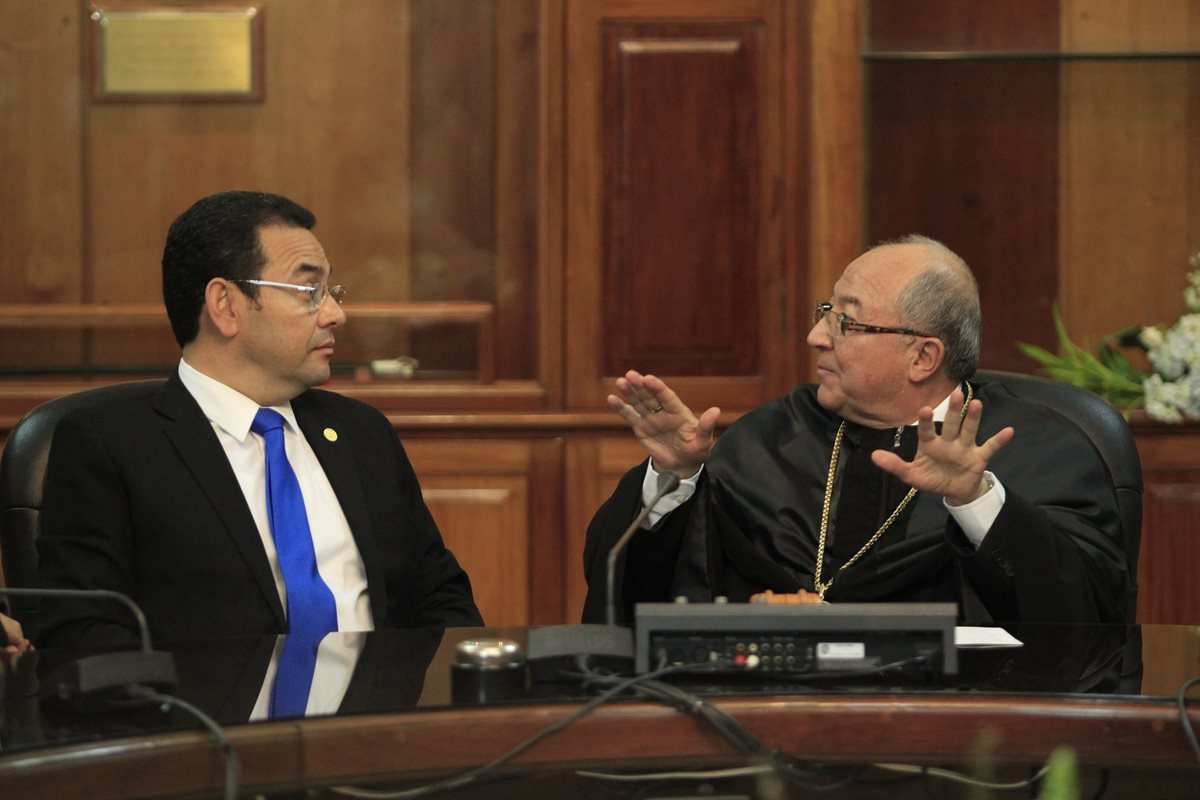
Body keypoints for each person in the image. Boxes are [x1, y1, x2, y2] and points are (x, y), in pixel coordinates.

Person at [582, 235, 1131, 625]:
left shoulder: (1049, 448)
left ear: (922, 356)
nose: (816, 335)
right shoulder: (769, 439)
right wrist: (673, 478)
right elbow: (640, 593)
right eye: (828, 311)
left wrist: (975, 500)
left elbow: (1085, 613)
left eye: (845, 320)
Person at [36, 191, 482, 651]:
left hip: (378, 714)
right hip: (209, 719)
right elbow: (84, 637)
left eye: (332, 292)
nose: (335, 314)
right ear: (225, 305)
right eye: (310, 292)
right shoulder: (110, 446)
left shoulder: (362, 433)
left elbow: (440, 597)